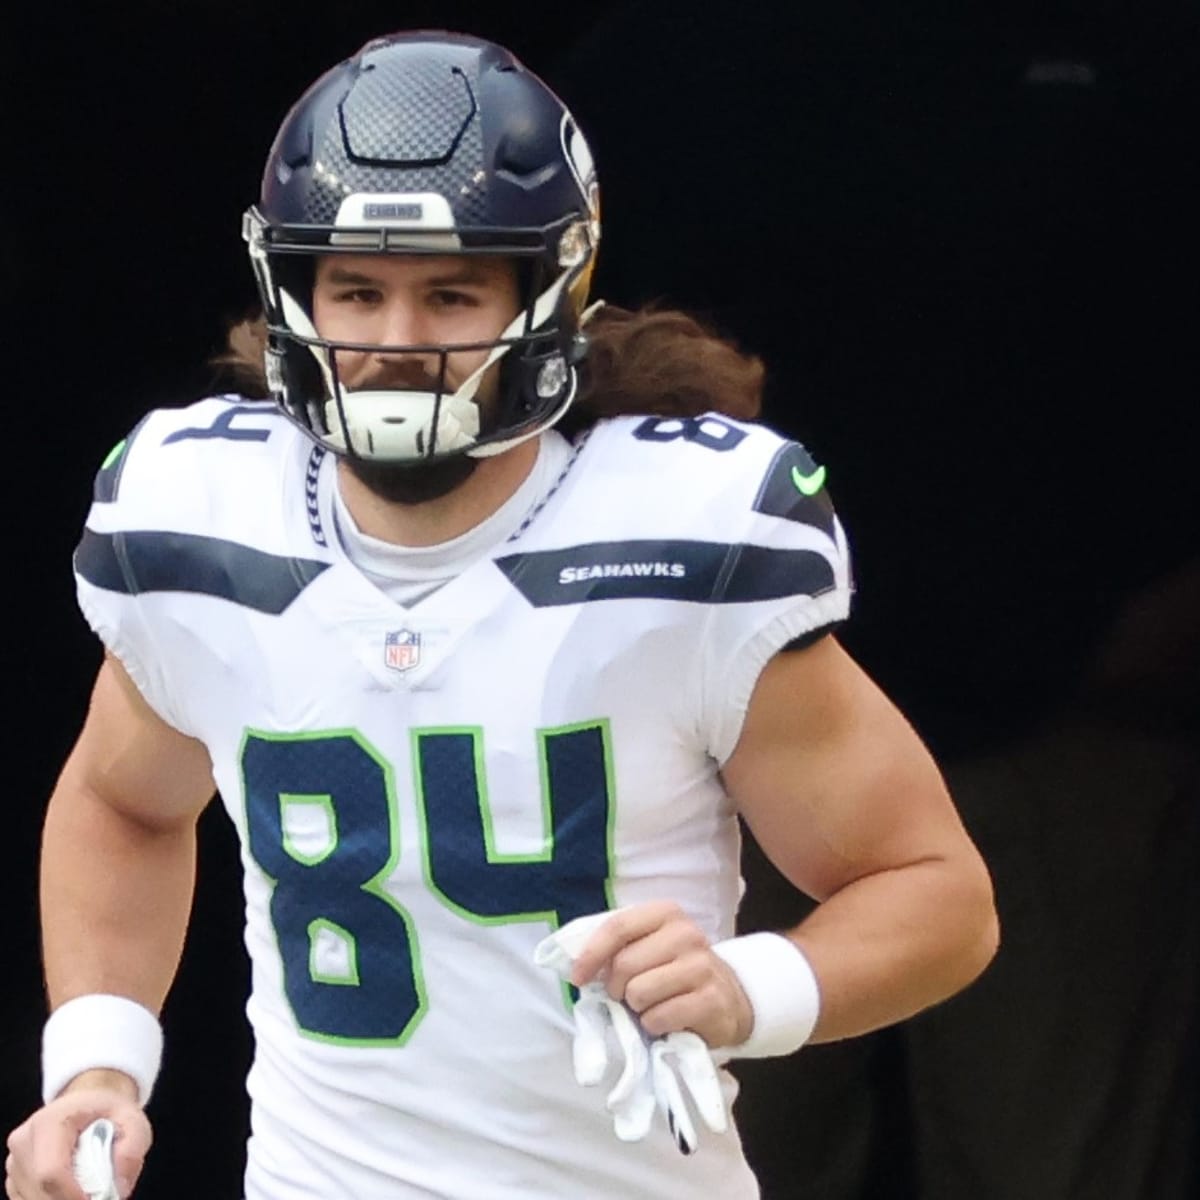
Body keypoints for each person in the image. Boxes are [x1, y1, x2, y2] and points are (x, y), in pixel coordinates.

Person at [5, 29, 998, 1200]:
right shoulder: (206, 518)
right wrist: (100, 1066)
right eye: (358, 290)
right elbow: (124, 802)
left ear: (549, 293)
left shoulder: (682, 538)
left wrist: (753, 989)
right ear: (293, 290)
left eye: (452, 293)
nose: (395, 343)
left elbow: (937, 892)